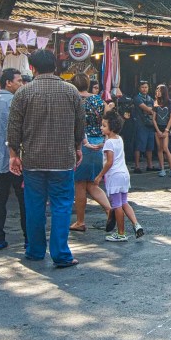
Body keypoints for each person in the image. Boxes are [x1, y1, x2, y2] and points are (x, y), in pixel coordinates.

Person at [7, 49, 84, 268]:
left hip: (33, 159)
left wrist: (14, 155)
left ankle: (35, 250)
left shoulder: (23, 93)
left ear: (32, 68)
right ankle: (61, 254)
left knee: (34, 206)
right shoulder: (71, 92)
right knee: (61, 206)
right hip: (62, 159)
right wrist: (78, 147)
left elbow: (13, 128)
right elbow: (80, 126)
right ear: (55, 66)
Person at [0, 68, 27, 250]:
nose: (21, 84)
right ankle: (28, 237)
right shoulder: (15, 102)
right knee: (23, 198)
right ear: (8, 82)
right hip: (16, 158)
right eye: (18, 81)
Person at [69, 73, 112, 233]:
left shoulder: (74, 99)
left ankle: (80, 221)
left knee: (80, 184)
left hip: (83, 143)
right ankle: (109, 210)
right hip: (99, 143)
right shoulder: (97, 99)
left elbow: (75, 125)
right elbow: (108, 116)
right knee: (91, 183)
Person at [95, 110, 144, 242]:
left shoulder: (109, 142)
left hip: (115, 176)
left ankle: (121, 233)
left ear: (112, 127)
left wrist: (100, 175)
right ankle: (136, 224)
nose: (101, 127)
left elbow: (109, 162)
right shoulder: (118, 139)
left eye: (104, 125)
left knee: (117, 205)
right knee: (124, 202)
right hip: (124, 174)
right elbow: (110, 148)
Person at [152, 84, 171, 177]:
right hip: (157, 128)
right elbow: (153, 118)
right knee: (159, 149)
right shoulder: (155, 103)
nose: (157, 92)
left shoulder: (170, 103)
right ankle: (162, 169)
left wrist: (166, 130)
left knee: (166, 148)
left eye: (159, 91)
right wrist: (158, 130)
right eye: (157, 91)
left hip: (166, 128)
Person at [132, 81, 156, 173]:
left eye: (146, 87)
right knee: (139, 146)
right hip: (140, 124)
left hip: (150, 124)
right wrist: (150, 110)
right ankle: (137, 166)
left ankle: (149, 165)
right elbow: (147, 109)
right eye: (143, 87)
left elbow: (154, 109)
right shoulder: (137, 98)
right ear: (139, 88)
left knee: (150, 146)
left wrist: (151, 110)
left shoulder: (150, 98)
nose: (144, 89)